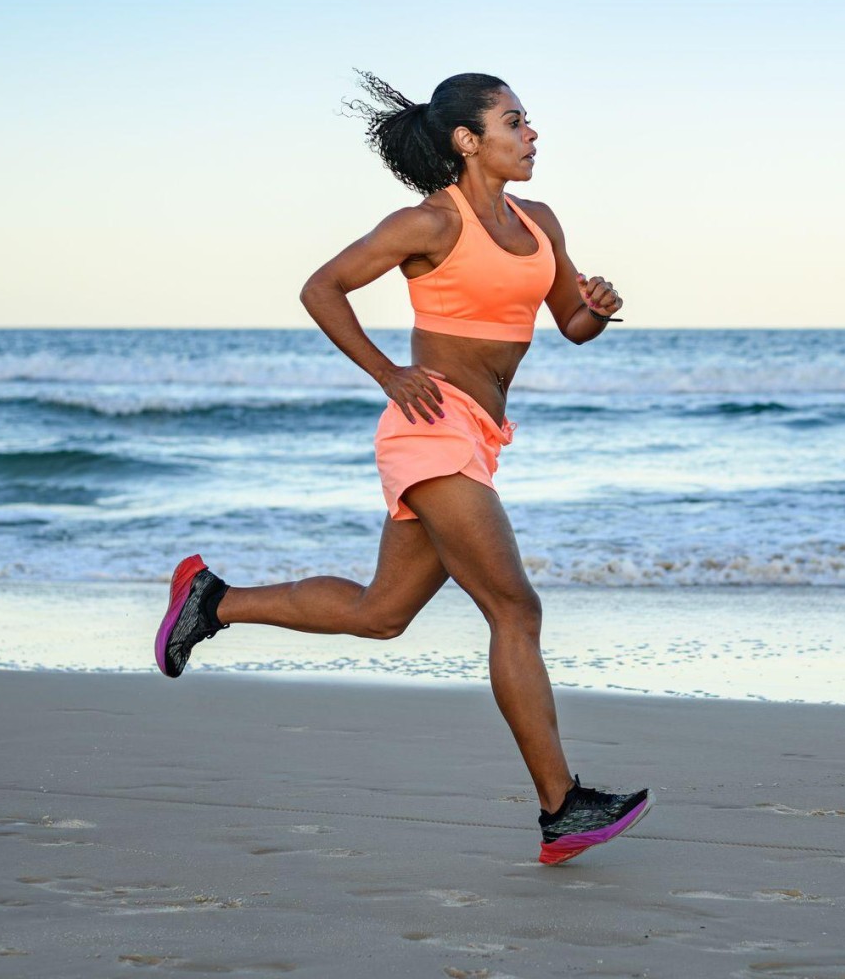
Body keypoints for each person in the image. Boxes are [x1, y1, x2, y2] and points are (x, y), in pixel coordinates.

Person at [153, 71, 651, 865]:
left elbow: (571, 325)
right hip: (431, 427)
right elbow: (323, 288)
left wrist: (597, 304)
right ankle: (563, 807)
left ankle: (213, 601)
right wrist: (388, 373)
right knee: (515, 611)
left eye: (528, 122)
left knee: (381, 612)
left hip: (479, 434)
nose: (531, 135)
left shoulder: (540, 221)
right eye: (514, 122)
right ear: (468, 140)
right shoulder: (427, 223)